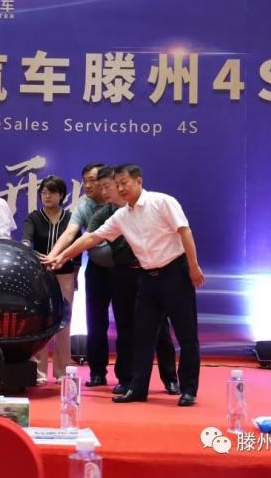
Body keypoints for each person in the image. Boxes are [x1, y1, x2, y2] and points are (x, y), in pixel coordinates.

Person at [45, 164, 205, 406]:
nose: (120, 189)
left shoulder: (162, 202)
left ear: (138, 181)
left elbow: (184, 231)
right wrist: (63, 256)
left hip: (176, 273)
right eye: (117, 184)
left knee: (186, 334)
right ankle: (137, 388)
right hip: (147, 277)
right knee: (141, 336)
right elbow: (92, 237)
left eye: (124, 183)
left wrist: (193, 266)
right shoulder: (121, 216)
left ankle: (188, 389)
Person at [89, 167, 179, 396]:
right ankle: (126, 378)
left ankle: (170, 378)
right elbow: (89, 239)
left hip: (150, 272)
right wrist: (61, 255)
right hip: (122, 273)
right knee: (125, 327)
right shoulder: (106, 214)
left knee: (160, 328)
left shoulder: (150, 205)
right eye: (102, 188)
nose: (106, 192)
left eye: (108, 186)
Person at [44, 162, 116, 387]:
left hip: (123, 269)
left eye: (93, 180)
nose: (88, 185)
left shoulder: (119, 203)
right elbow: (70, 234)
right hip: (96, 268)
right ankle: (97, 372)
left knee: (127, 322)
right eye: (85, 181)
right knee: (95, 321)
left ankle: (127, 376)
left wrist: (61, 256)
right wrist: (53, 256)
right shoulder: (85, 206)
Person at [21, 175, 79, 384]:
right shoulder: (34, 217)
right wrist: (26, 247)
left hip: (65, 275)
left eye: (52, 192)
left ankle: (62, 371)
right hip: (40, 276)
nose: (47, 196)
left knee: (64, 321)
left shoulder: (71, 218)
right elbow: (26, 238)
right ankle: (39, 372)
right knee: (40, 321)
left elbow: (77, 249)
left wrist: (75, 276)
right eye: (43, 192)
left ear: (61, 195)